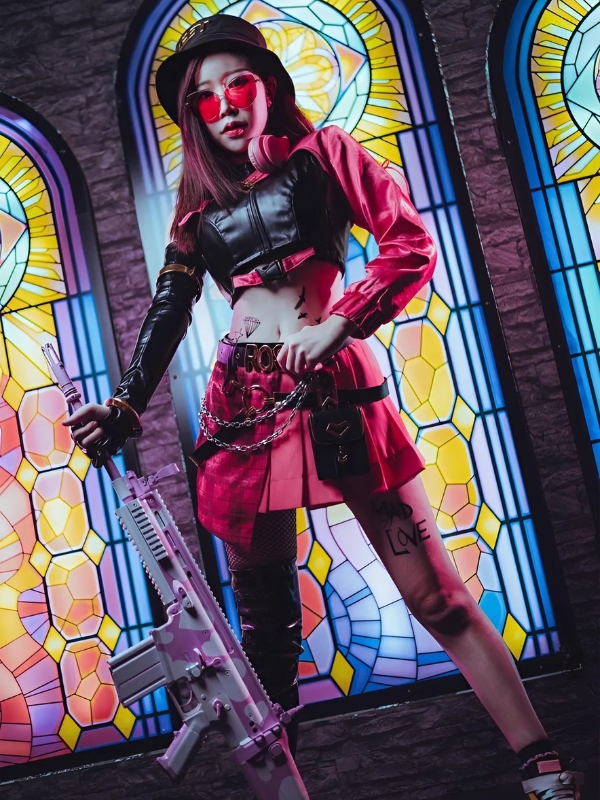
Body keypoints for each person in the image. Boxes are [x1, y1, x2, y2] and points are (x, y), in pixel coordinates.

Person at [63, 14, 583, 798]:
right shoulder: (195, 214)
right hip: (241, 416)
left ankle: (543, 769)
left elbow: (410, 244)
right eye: (205, 96)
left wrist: (342, 321)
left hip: (335, 394)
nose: (225, 105)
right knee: (265, 648)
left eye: (238, 83)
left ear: (269, 85)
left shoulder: (329, 154)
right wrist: (126, 404)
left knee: (436, 597)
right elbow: (169, 309)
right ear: (193, 115)